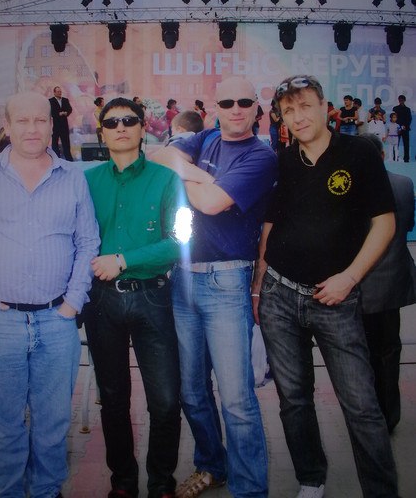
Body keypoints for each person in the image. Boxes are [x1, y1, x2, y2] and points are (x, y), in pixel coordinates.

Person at [252, 75, 399, 498]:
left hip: (336, 299)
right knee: (293, 399)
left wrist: (349, 278)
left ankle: (381, 491)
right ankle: (311, 478)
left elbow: (385, 223)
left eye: (305, 106)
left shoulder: (359, 153)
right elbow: (270, 226)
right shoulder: (283, 160)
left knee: (361, 405)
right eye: (289, 110)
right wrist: (260, 286)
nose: (298, 117)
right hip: (279, 296)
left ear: (324, 107)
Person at [0, 91, 100, 498]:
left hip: (55, 322)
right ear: (6, 126)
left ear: (51, 124)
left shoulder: (73, 178)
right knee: (4, 428)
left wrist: (72, 303)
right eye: (21, 120)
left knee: (52, 425)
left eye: (40, 120)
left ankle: (46, 490)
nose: (32, 128)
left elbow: (87, 243)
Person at [152, 77, 277, 498]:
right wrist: (199, 175)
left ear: (257, 108)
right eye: (227, 101)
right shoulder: (204, 138)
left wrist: (184, 174)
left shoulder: (261, 156)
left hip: (227, 279)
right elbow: (157, 154)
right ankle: (212, 466)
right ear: (215, 107)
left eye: (244, 101)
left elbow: (210, 203)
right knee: (191, 391)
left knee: (236, 399)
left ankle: (249, 489)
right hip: (183, 277)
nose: (236, 108)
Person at [83, 98, 189, 498]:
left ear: (144, 128)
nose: (121, 127)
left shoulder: (167, 180)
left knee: (165, 400)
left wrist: (124, 260)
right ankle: (123, 483)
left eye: (129, 120)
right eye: (112, 123)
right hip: (102, 303)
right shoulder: (86, 182)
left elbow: (181, 240)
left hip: (152, 298)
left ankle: (161, 482)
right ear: (102, 133)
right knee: (113, 399)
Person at [360, 133, 416, 433]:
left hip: (359, 285)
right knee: (389, 351)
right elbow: (408, 225)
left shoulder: (352, 188)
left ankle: (368, 416)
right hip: (393, 284)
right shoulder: (404, 184)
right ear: (383, 155)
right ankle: (389, 415)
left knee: (363, 353)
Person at [49, 86, 73, 160]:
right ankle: (56, 158)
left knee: (66, 142)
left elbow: (69, 109)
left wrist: (66, 113)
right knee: (55, 142)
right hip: (56, 125)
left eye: (60, 91)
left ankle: (69, 159)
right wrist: (58, 114)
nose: (60, 93)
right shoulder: (51, 101)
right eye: (58, 92)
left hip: (64, 124)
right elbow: (50, 111)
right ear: (54, 93)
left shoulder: (65, 100)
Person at [393, 94, 412, 162]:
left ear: (404, 100)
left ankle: (406, 158)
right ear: (398, 100)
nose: (401, 101)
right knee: (395, 144)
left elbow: (409, 119)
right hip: (397, 129)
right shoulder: (395, 108)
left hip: (405, 129)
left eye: (402, 100)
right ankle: (395, 157)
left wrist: (405, 126)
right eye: (400, 100)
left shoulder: (408, 109)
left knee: (406, 144)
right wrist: (398, 126)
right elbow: (393, 118)